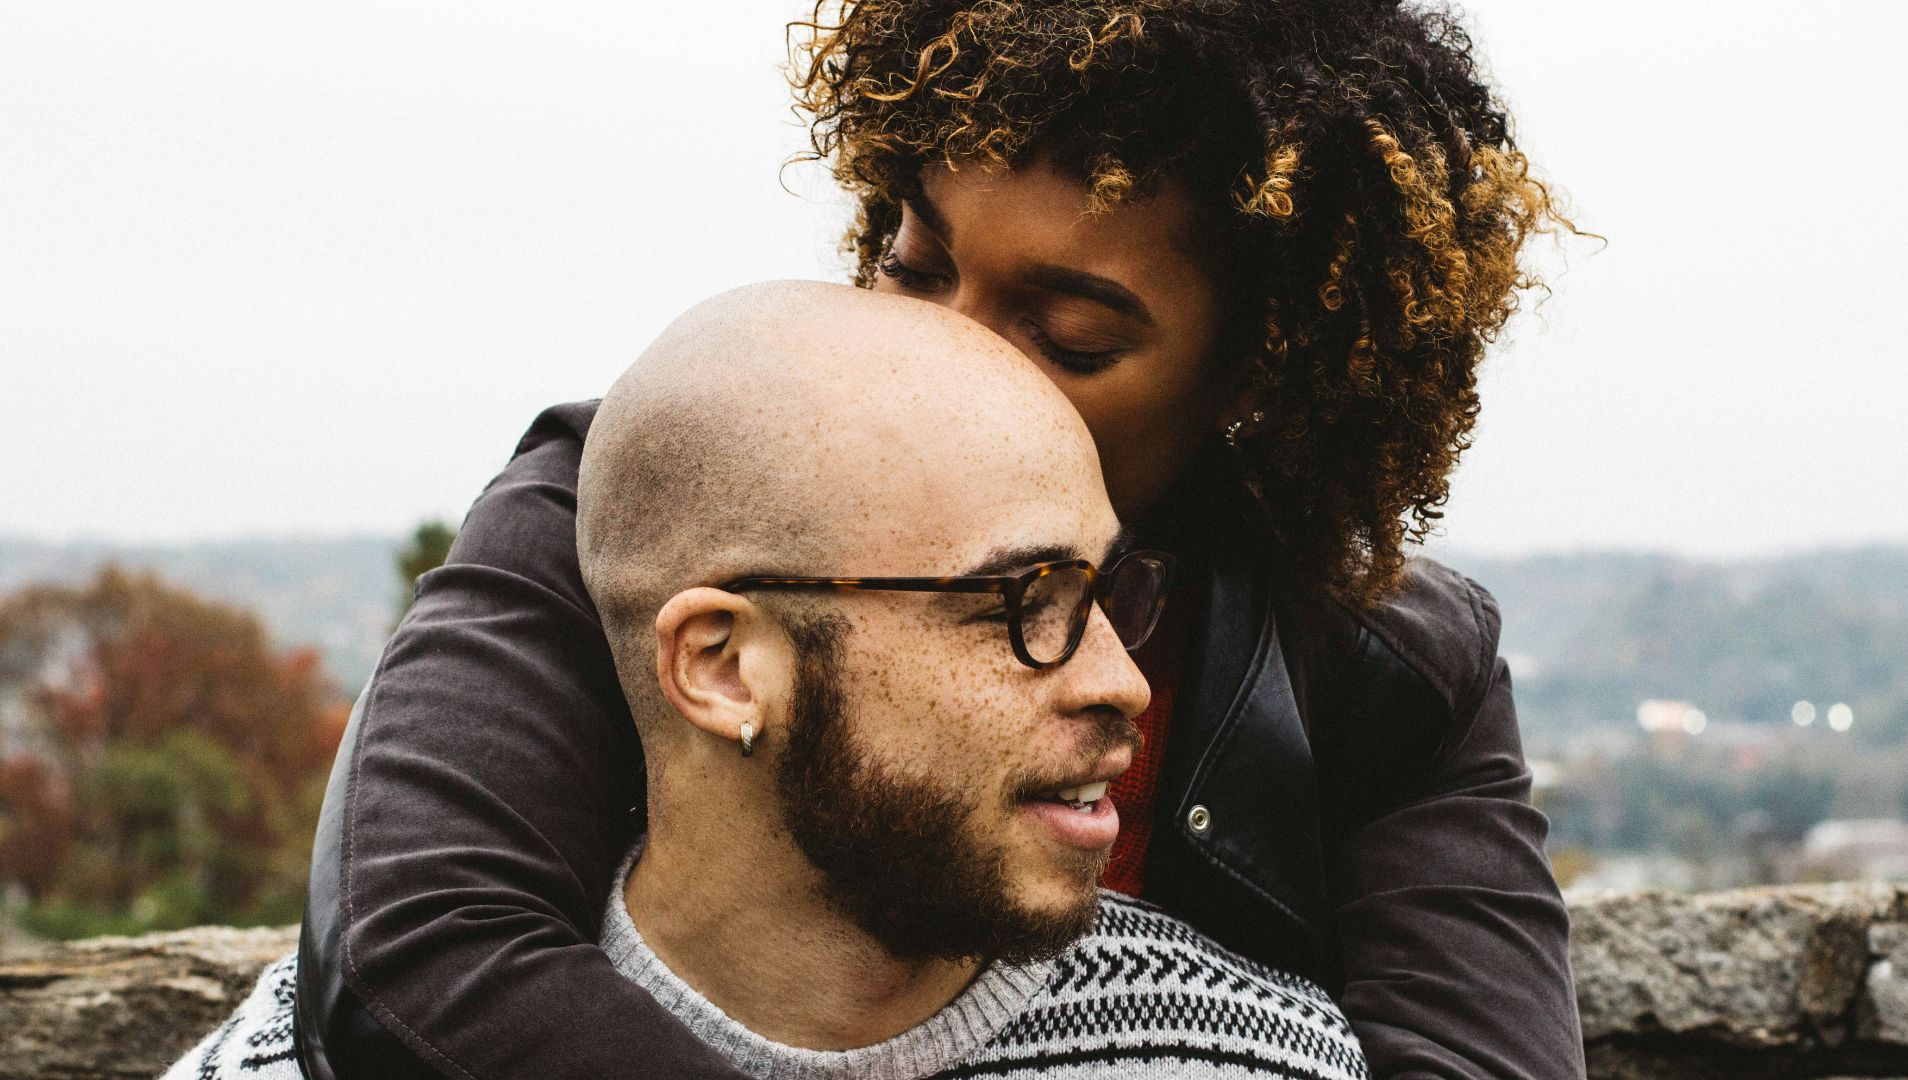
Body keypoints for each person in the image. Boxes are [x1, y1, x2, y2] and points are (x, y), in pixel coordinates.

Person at [295, 2, 1585, 1078]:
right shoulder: (648, 506)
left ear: (1254, 375)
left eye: (1070, 337)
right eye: (917, 268)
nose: (948, 347)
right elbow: (415, 956)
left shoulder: (1391, 669)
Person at [175, 282, 1370, 1080]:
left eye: (1112, 594)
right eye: (1023, 604)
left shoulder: (1258, 1060)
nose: (1124, 682)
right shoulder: (297, 1065)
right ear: (724, 668)